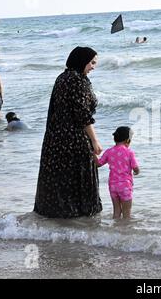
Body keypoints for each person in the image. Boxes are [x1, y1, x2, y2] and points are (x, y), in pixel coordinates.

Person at [34, 46, 103, 219]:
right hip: (73, 138)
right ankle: (79, 216)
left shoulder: (63, 77)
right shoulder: (76, 80)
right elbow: (82, 115)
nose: (93, 66)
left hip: (56, 136)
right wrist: (94, 140)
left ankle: (58, 216)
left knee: (60, 176)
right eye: (92, 62)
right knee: (78, 175)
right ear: (82, 61)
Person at [95, 127, 140, 219]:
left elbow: (98, 164)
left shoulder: (109, 151)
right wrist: (137, 171)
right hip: (125, 186)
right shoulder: (129, 152)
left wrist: (92, 154)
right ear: (127, 140)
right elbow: (135, 167)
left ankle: (115, 230)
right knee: (126, 212)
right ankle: (124, 232)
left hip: (113, 186)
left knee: (116, 211)